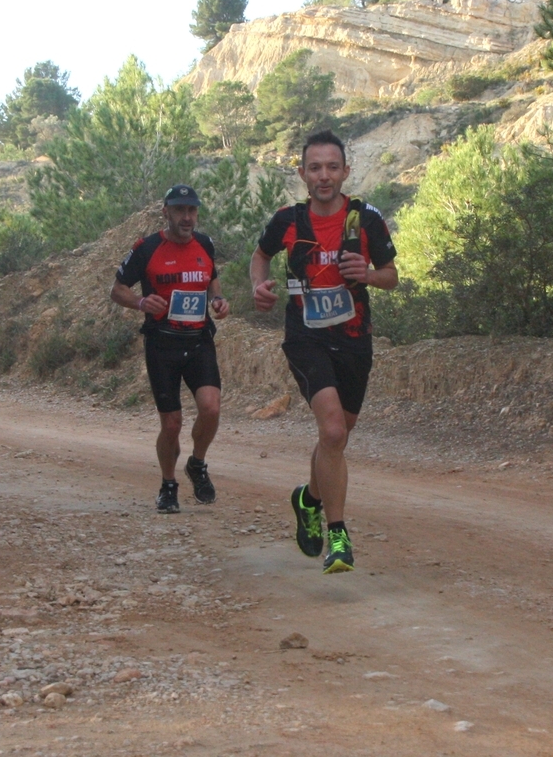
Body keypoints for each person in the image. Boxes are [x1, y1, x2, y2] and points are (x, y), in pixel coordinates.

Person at [250, 130, 398, 573]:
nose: (324, 175)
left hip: (354, 338)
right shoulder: (288, 220)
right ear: (302, 174)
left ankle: (308, 499)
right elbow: (260, 256)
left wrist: (368, 276)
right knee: (332, 431)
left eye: (332, 167)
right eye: (315, 168)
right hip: (306, 336)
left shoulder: (365, 219)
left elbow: (392, 276)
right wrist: (259, 285)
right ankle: (338, 536)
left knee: (339, 436)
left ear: (345, 171)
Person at [112, 184, 230, 513]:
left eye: (192, 210)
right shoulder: (147, 248)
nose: (187, 217)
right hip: (162, 343)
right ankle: (168, 485)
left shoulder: (205, 243)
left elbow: (211, 279)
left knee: (211, 409)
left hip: (198, 340)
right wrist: (140, 302)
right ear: (166, 212)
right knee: (172, 424)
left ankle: (197, 464)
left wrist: (218, 300)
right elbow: (117, 289)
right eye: (180, 211)